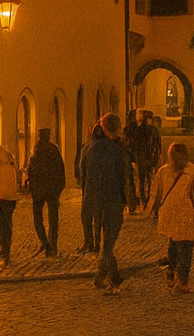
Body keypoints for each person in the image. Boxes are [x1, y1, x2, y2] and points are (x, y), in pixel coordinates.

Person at [80, 114, 130, 294]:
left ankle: (105, 275)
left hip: (93, 201)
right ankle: (110, 277)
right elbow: (123, 177)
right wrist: (128, 200)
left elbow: (82, 176)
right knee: (109, 240)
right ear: (114, 130)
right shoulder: (116, 150)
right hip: (111, 200)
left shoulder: (88, 148)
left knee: (107, 240)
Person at [148, 142, 194, 294]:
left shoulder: (163, 171)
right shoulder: (191, 171)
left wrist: (152, 210)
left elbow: (156, 192)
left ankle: (171, 273)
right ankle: (182, 281)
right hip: (185, 214)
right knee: (186, 246)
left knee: (173, 242)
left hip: (169, 213)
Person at [25, 127, 66, 257]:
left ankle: (45, 243)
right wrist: (59, 188)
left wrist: (32, 188)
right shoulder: (54, 150)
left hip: (38, 192)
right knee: (53, 219)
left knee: (38, 219)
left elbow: (30, 171)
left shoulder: (35, 152)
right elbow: (61, 170)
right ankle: (52, 246)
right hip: (52, 191)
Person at [79, 123, 105, 251]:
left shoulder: (87, 148)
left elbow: (82, 169)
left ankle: (88, 241)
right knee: (98, 216)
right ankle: (97, 243)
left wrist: (83, 186)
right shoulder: (108, 149)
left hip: (90, 187)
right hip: (103, 187)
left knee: (86, 215)